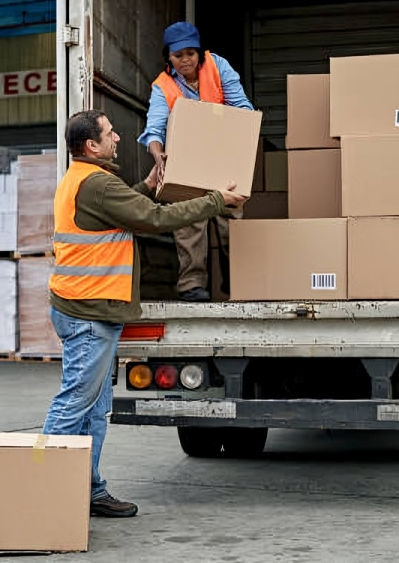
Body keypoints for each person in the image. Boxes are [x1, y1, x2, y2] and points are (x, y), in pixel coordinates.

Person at [43, 109, 247, 518]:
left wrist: (148, 187)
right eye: (110, 132)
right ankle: (43, 499)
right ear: (91, 146)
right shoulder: (97, 183)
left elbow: (120, 213)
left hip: (83, 307)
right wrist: (215, 202)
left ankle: (89, 490)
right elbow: (153, 220)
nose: (117, 137)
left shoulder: (82, 179)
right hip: (89, 313)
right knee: (73, 406)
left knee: (95, 409)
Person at [137, 20, 255, 302]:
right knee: (188, 221)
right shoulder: (162, 86)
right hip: (185, 160)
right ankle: (191, 286)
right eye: (179, 55)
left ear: (199, 52)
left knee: (230, 220)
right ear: (169, 57)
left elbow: (243, 108)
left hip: (223, 154)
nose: (185, 60)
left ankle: (236, 277)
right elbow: (154, 128)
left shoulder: (217, 66)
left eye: (191, 53)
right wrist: (158, 153)